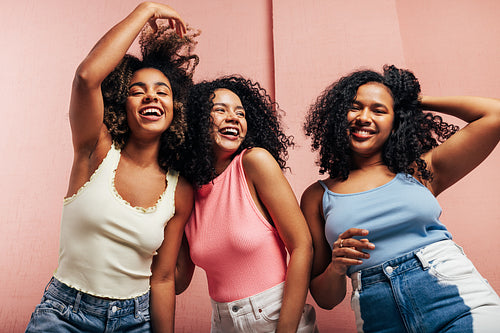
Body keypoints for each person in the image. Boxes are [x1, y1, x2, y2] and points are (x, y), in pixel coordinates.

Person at [25, 2, 198, 332]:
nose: (151, 97)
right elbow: (87, 77)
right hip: (63, 315)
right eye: (138, 91)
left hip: (135, 321)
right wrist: (145, 10)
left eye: (162, 92)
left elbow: (162, 279)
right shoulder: (95, 149)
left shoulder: (180, 189)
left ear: (176, 109)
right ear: (124, 103)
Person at [301, 65, 500, 332]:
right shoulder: (317, 196)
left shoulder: (420, 170)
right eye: (354, 107)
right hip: (379, 318)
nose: (364, 117)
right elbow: (326, 299)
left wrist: (412, 101)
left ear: (396, 120)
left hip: (454, 301)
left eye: (379, 110)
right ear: (339, 115)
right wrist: (337, 267)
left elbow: (494, 115)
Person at [179, 76, 318, 332]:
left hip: (276, 315)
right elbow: (176, 281)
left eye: (240, 113)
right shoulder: (187, 190)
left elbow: (302, 246)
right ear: (196, 121)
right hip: (221, 322)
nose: (233, 117)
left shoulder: (254, 163)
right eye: (220, 110)